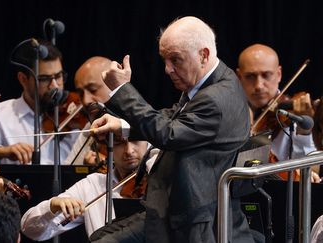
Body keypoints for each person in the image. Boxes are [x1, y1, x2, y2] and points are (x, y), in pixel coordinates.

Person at [89, 16, 255, 242]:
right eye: (165, 60)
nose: (167, 69)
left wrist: (121, 90)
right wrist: (123, 126)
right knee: (99, 236)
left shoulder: (216, 97)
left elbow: (169, 134)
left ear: (203, 55)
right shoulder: (210, 79)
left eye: (175, 60)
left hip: (193, 219)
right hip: (169, 207)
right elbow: (177, 117)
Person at [0, 39, 81, 165]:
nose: (55, 86)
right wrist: (1, 151)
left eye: (58, 76)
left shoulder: (75, 112)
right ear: (23, 79)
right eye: (44, 79)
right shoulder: (0, 115)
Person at [20, 139, 148, 241]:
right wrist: (52, 206)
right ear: (108, 145)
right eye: (119, 142)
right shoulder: (93, 184)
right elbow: (30, 230)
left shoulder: (161, 181)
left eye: (136, 140)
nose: (129, 150)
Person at [236, 43, 320, 182]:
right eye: (250, 76)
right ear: (239, 76)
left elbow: (311, 170)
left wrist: (303, 131)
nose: (258, 85)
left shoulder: (290, 116)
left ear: (279, 74)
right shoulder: (231, 110)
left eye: (266, 75)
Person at [63, 56, 112, 165]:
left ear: (114, 85)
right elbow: (68, 170)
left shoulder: (136, 124)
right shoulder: (91, 127)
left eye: (93, 90)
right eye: (80, 93)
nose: (85, 101)